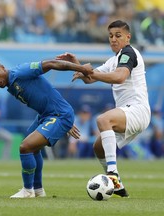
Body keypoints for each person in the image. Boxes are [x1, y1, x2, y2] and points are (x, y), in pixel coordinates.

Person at [57, 20, 151, 198]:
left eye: (118, 35)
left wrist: (89, 71)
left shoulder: (128, 53)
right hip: (127, 111)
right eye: (110, 36)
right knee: (98, 147)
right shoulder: (113, 60)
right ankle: (118, 186)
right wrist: (78, 65)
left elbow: (119, 77)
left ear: (128, 37)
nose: (113, 39)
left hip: (138, 110)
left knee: (102, 120)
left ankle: (112, 174)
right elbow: (90, 79)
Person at [0, 58, 93, 198]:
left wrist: (81, 68)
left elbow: (51, 63)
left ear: (3, 68)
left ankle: (28, 190)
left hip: (58, 115)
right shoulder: (9, 84)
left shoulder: (20, 72)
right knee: (31, 146)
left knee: (25, 147)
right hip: (47, 115)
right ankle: (38, 189)